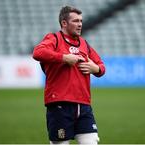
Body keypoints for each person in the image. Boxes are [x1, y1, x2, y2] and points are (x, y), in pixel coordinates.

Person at [33, 5, 105, 145]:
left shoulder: (84, 44)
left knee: (91, 142)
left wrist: (96, 68)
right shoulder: (54, 38)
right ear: (64, 23)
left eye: (81, 21)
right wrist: (64, 57)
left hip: (84, 106)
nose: (80, 24)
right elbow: (38, 53)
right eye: (76, 21)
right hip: (60, 105)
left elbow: (101, 66)